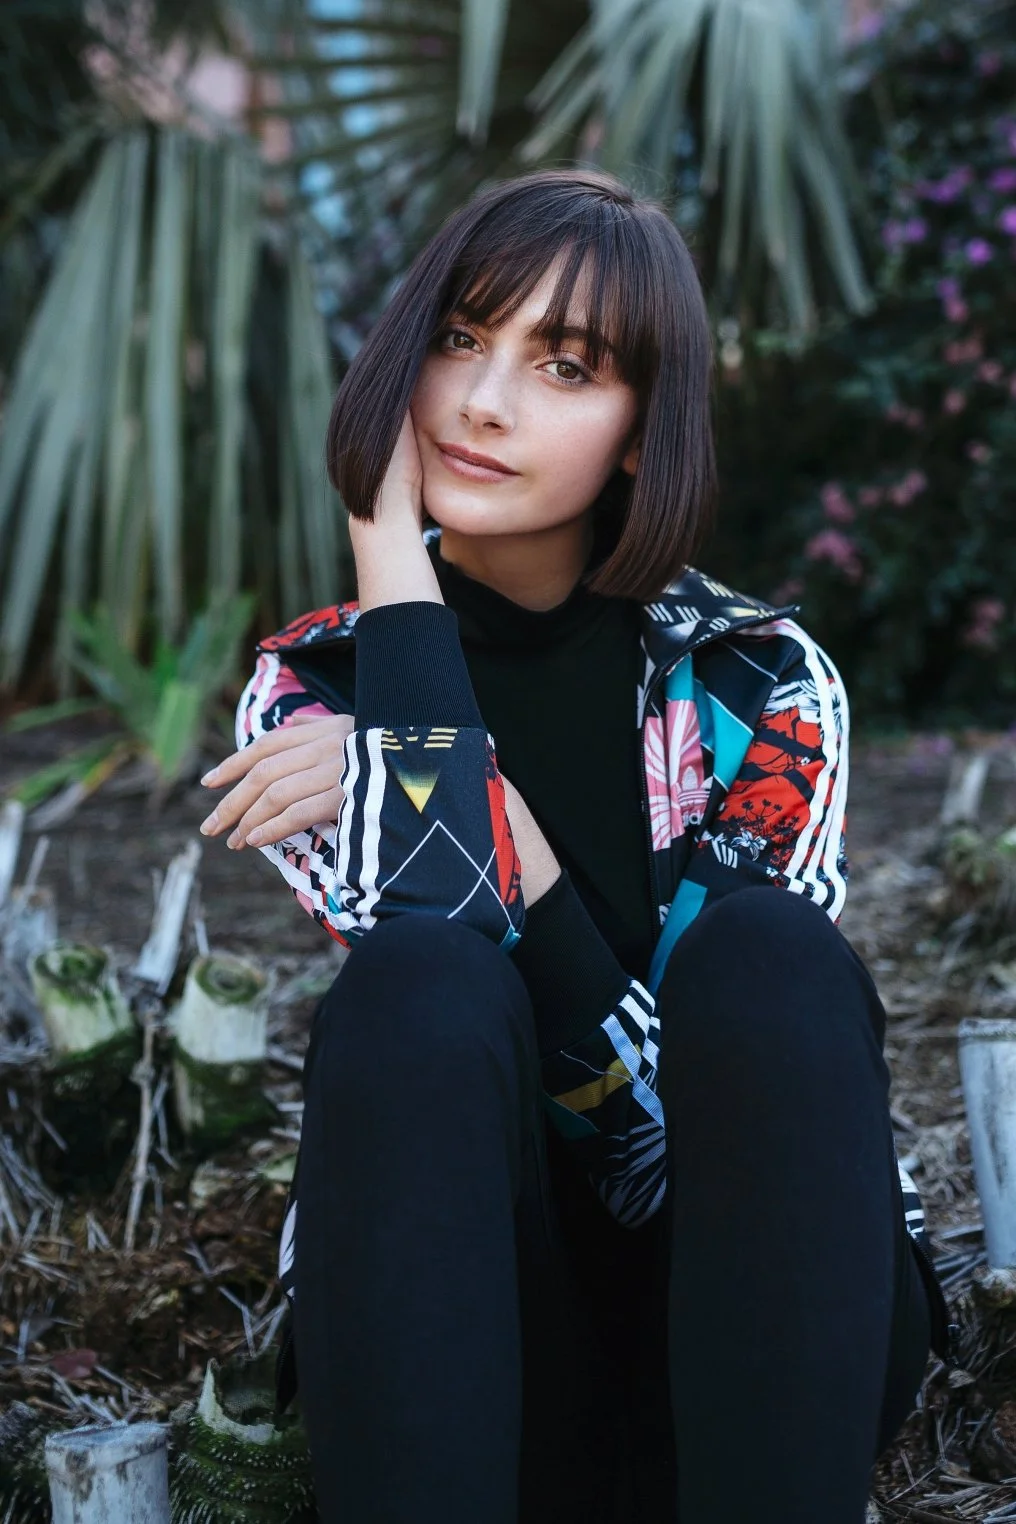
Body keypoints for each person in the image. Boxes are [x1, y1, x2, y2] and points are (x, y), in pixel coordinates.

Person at [198, 168, 954, 1524]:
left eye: (565, 364)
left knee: (771, 957)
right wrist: (386, 539)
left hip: (774, 1340)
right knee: (419, 986)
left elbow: (663, 1121)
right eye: (460, 339)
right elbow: (438, 919)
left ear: (640, 427)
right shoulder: (311, 698)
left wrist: (430, 775)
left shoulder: (759, 687)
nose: (484, 403)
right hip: (471, 1356)